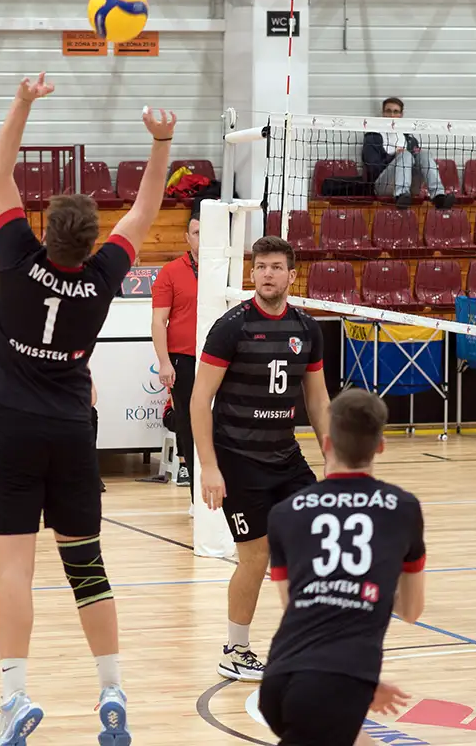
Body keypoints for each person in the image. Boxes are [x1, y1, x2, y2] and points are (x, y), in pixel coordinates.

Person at [0, 73, 175, 746]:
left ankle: (15, 697)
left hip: (12, 428)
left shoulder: (15, 256)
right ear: (93, 242)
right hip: (71, 431)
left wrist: (23, 102)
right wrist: (161, 142)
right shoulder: (102, 278)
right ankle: (112, 688)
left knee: (14, 571)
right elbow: (145, 210)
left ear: (45, 231)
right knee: (87, 567)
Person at [191, 235, 332, 683]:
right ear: (252, 274)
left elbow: (318, 399)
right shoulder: (231, 327)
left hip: (285, 456)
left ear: (292, 275)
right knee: (255, 556)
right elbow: (199, 400)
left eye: (276, 267)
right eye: (260, 267)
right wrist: (209, 467)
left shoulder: (307, 329)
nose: (267, 274)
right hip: (239, 459)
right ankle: (235, 651)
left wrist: (332, 455)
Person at [260, 389, 424, 746]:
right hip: (335, 681)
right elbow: (412, 611)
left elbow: (294, 605)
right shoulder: (403, 508)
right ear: (380, 446)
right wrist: (370, 588)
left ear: (326, 442)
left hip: (278, 676)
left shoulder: (285, 512)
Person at [151, 209, 200, 492]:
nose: (202, 238)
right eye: (197, 233)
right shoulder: (170, 272)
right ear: (187, 237)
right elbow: (159, 321)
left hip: (218, 358)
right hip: (184, 359)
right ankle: (194, 489)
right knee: (188, 421)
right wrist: (164, 362)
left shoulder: (224, 269)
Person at [361, 97, 447, 210]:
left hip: (411, 185)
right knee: (405, 155)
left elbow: (419, 163)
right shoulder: (372, 137)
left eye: (396, 112)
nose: (392, 115)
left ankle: (438, 196)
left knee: (424, 154)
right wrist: (395, 158)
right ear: (383, 113)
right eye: (388, 111)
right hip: (383, 185)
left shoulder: (410, 140)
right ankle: (400, 195)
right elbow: (372, 168)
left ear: (401, 115)